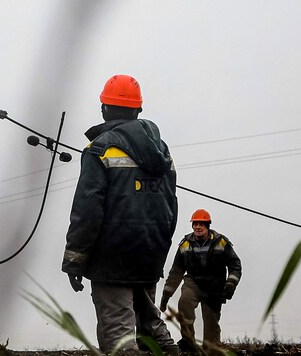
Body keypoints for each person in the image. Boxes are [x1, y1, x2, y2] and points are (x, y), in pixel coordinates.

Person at [61, 74, 179, 354]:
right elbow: (170, 206)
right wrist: (159, 247)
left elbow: (87, 210)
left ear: (104, 109)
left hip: (112, 256)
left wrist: (75, 259)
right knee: (150, 323)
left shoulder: (98, 149)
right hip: (151, 250)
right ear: (138, 109)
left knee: (118, 335)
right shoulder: (162, 151)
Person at [160, 208, 242, 352]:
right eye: (195, 224)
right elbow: (176, 272)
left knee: (211, 328)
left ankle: (210, 350)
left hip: (214, 287)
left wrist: (231, 283)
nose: (197, 227)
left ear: (207, 226)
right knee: (184, 303)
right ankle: (188, 343)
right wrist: (166, 295)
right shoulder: (185, 244)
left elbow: (235, 264)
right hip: (193, 283)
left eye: (201, 224)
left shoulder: (220, 242)